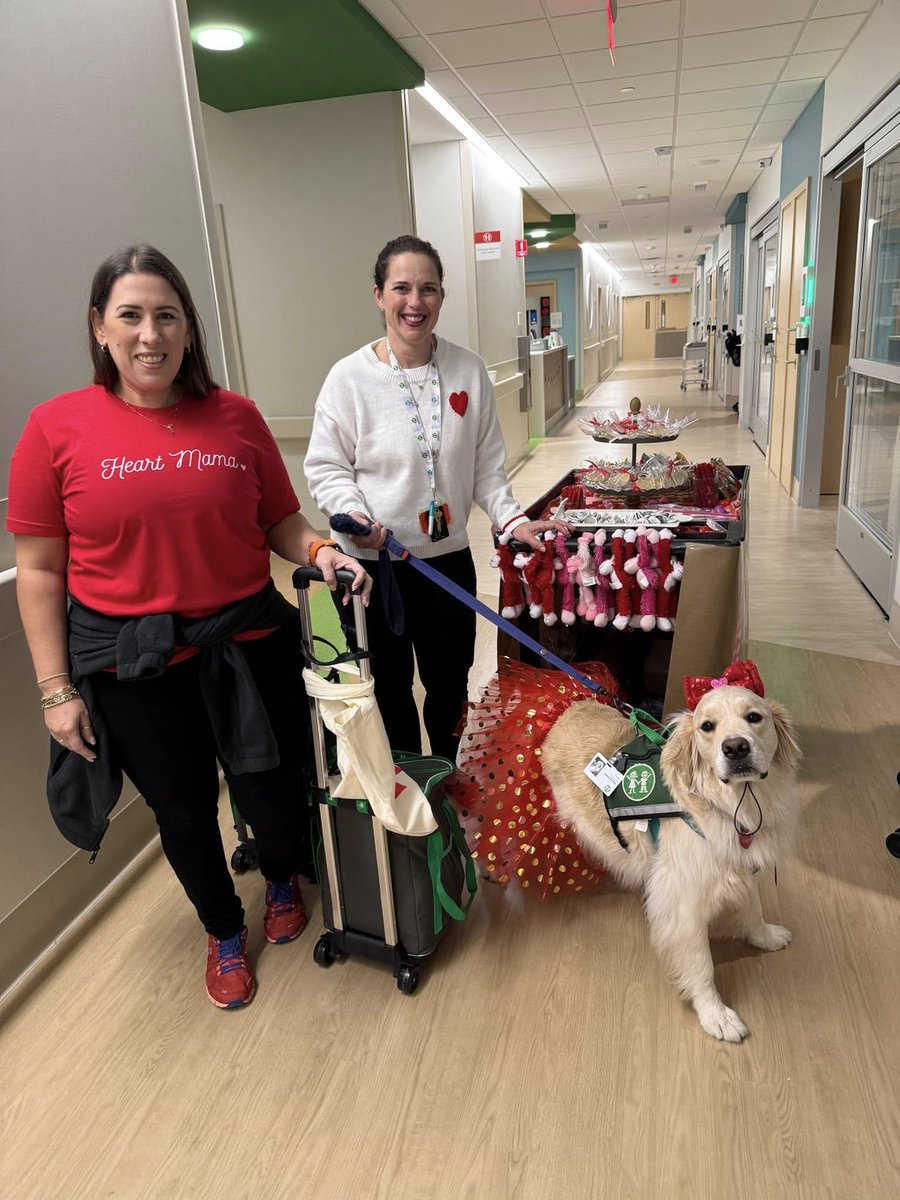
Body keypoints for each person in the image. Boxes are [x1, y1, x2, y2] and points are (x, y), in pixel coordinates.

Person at [7, 245, 370, 1010]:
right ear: (100, 328)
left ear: (188, 327)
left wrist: (319, 551)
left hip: (249, 640)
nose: (150, 335)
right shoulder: (54, 429)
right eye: (131, 316)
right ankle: (220, 928)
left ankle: (279, 878)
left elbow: (280, 518)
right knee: (180, 808)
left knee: (274, 791)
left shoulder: (234, 416)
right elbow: (40, 570)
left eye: (166, 315)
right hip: (131, 664)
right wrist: (54, 690)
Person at [305, 235, 568, 763]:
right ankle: (405, 792)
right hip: (373, 567)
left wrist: (512, 518)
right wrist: (355, 515)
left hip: (446, 563)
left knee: (449, 687)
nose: (414, 302)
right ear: (378, 295)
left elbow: (487, 468)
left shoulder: (468, 371)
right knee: (389, 687)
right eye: (401, 288)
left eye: (427, 289)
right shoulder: (349, 379)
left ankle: (448, 781)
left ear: (441, 297)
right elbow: (326, 466)